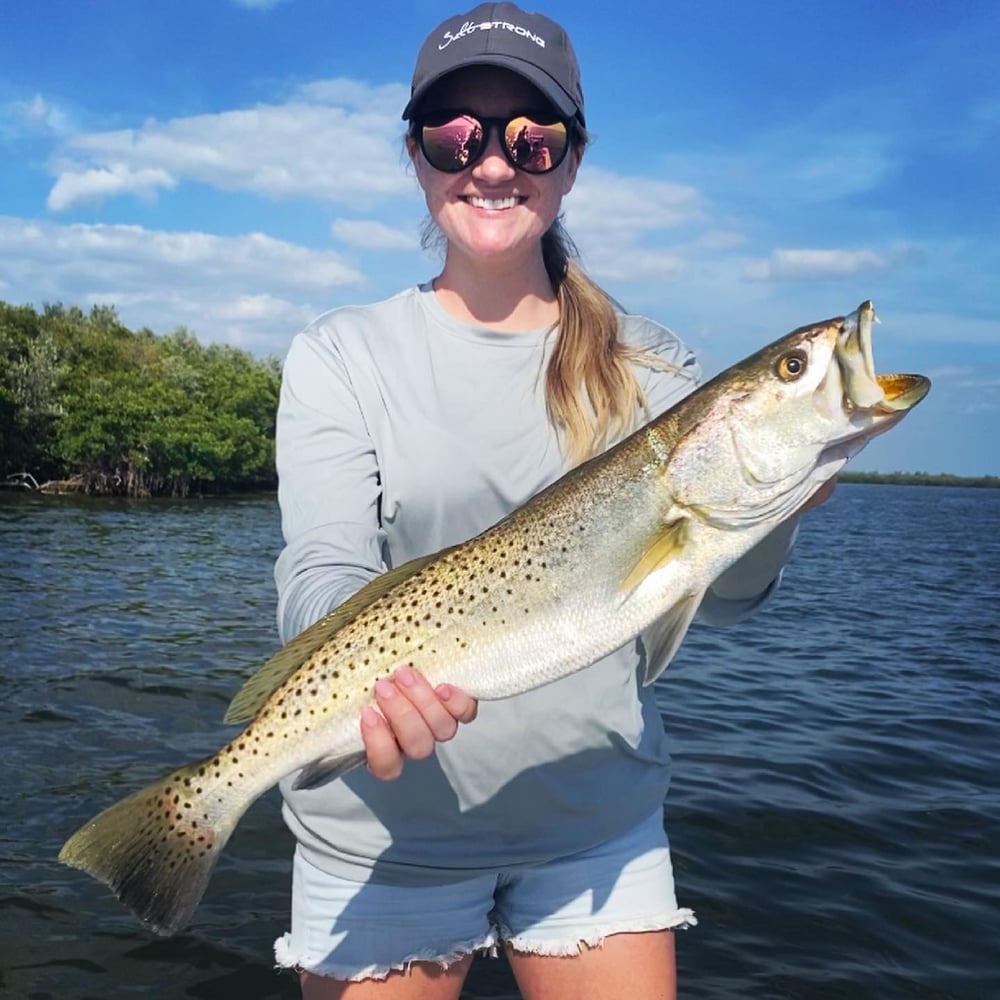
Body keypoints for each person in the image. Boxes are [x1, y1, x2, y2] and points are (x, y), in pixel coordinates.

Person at [271, 5, 821, 997]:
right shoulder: (338, 353)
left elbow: (727, 598)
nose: (492, 163)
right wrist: (358, 691)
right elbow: (322, 566)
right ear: (416, 155)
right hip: (383, 830)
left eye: (533, 137)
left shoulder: (654, 366)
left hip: (594, 832)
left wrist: (773, 507)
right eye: (455, 134)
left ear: (571, 163)